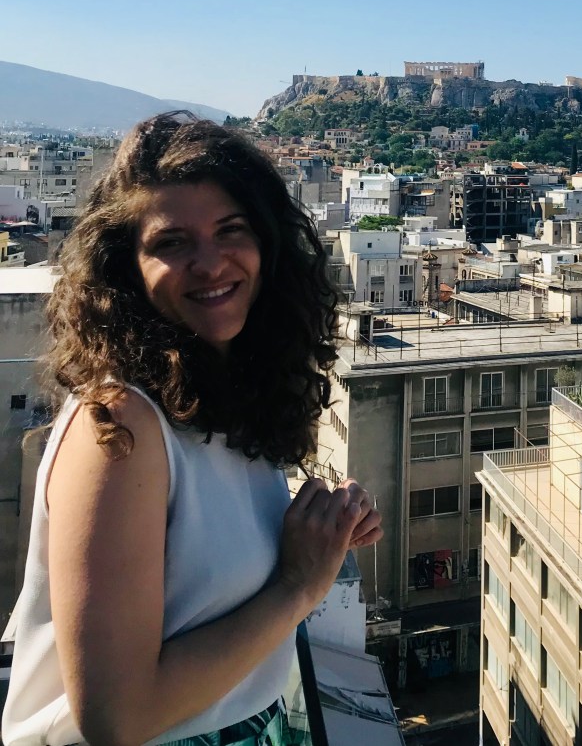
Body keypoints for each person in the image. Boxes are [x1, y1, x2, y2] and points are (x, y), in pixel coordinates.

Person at [2, 112, 382, 745]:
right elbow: (115, 721)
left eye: (231, 230)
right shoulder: (120, 428)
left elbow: (193, 558)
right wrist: (298, 584)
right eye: (171, 243)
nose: (210, 263)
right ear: (127, 269)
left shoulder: (218, 398)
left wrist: (319, 531)